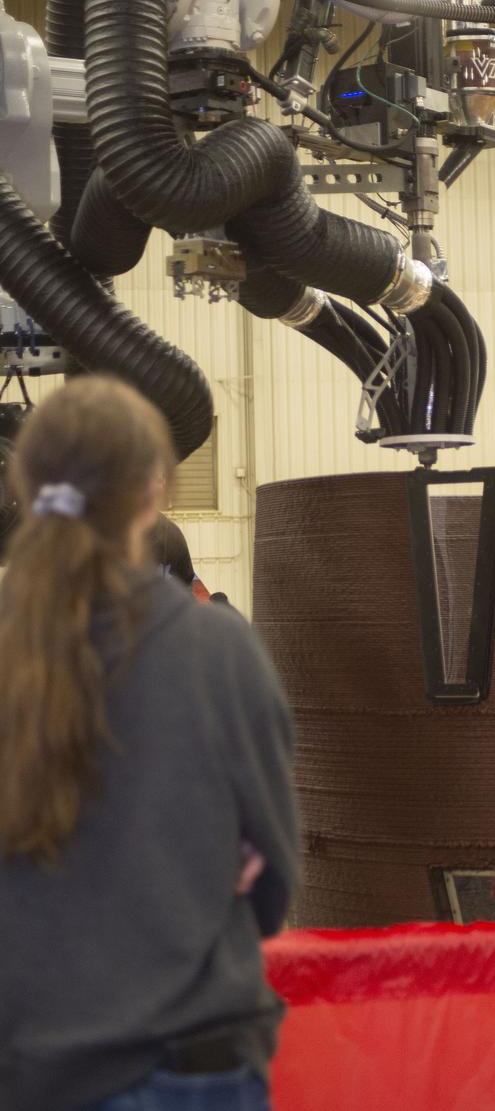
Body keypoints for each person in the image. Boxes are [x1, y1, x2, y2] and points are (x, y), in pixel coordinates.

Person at [0, 377, 300, 1111]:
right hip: (194, 1062)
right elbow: (272, 883)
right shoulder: (220, 651)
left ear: (28, 485)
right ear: (154, 491)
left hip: (29, 1064)